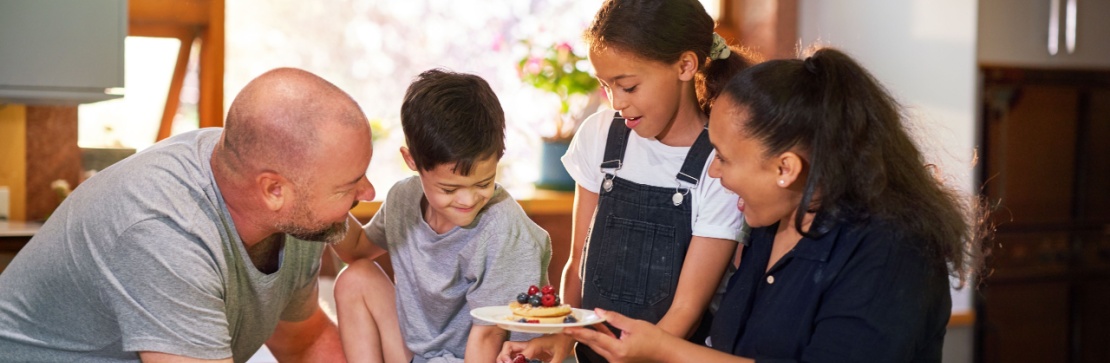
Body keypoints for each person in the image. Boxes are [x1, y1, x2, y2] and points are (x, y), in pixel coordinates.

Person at [563, 47, 986, 362]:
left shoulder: (893, 252)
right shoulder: (771, 224)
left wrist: (665, 351)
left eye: (724, 159)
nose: (713, 173)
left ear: (785, 168)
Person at [0, 67, 373, 362]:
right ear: (274, 191)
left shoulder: (299, 208)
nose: (368, 193)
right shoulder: (163, 230)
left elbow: (304, 343)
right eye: (349, 186)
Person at [499, 1, 754, 362]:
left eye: (629, 87)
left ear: (685, 65)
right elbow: (577, 264)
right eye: (606, 86)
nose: (616, 102)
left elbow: (687, 309)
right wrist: (562, 337)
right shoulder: (599, 136)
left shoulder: (718, 163)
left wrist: (634, 354)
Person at [331, 69, 552, 363]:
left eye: (483, 183)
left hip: (486, 356)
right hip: (422, 354)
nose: (468, 199)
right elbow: (356, 249)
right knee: (354, 279)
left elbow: (488, 336)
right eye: (449, 188)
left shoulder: (503, 232)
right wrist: (326, 196)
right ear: (411, 161)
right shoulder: (403, 199)